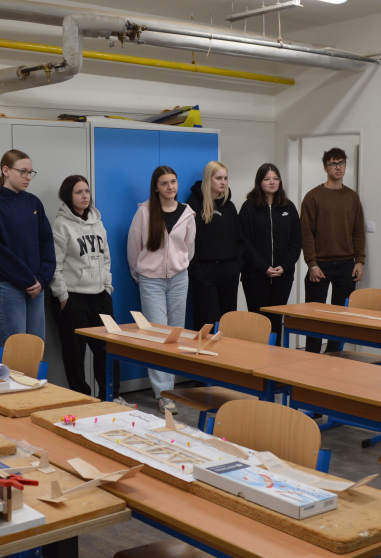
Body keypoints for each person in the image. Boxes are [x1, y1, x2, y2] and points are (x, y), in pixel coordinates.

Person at [127, 165, 196, 413]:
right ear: (156, 187)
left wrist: (179, 266)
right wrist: (142, 275)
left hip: (179, 279)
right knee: (157, 335)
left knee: (175, 335)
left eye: (173, 182)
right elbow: (134, 248)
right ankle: (163, 394)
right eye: (164, 183)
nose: (170, 187)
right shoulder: (144, 212)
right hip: (151, 281)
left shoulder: (187, 213)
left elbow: (189, 248)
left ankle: (171, 390)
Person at [49, 175, 120, 399]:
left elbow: (106, 258)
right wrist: (63, 296)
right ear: (68, 196)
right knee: (75, 355)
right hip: (73, 298)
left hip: (100, 296)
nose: (84, 196)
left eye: (87, 191)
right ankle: (81, 398)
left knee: (108, 350)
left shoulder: (98, 222)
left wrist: (107, 286)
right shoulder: (61, 225)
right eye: (78, 192)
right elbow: (55, 264)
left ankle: (110, 396)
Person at [0, 149, 55, 353]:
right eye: (23, 172)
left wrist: (42, 279)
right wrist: (28, 279)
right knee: (14, 351)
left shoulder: (33, 202)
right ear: (6, 170)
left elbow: (47, 243)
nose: (28, 177)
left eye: (30, 172)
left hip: (36, 287)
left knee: (36, 349)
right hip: (7, 287)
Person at [300, 148, 366, 353]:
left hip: (346, 265)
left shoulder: (352, 197)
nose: (338, 167)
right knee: (315, 317)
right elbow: (306, 234)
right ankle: (311, 358)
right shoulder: (313, 197)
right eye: (333, 164)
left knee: (340, 318)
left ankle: (334, 358)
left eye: (342, 163)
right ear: (325, 167)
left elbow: (358, 231)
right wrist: (311, 264)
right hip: (320, 265)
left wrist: (360, 260)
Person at [239, 163, 302, 342]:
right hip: (255, 276)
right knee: (258, 321)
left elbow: (296, 241)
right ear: (259, 182)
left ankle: (274, 355)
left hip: (283, 276)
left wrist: (285, 265)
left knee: (276, 321)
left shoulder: (288, 207)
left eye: (275, 179)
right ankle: (256, 356)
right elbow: (244, 242)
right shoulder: (248, 207)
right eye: (267, 179)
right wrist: (263, 266)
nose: (272, 182)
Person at [186, 161, 244, 329]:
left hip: (229, 272)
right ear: (208, 179)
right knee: (206, 322)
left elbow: (239, 239)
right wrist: (195, 270)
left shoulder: (229, 207)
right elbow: (188, 240)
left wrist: (236, 266)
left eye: (225, 178)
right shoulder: (194, 204)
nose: (223, 182)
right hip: (204, 272)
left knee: (227, 322)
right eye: (219, 178)